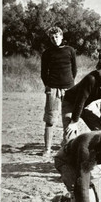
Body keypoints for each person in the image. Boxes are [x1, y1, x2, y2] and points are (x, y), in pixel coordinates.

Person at [40, 26, 77, 157]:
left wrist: (69, 84)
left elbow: (74, 70)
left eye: (57, 36)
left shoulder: (70, 50)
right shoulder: (47, 53)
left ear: (61, 37)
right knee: (50, 119)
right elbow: (44, 73)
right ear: (50, 39)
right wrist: (49, 86)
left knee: (68, 118)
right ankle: (47, 149)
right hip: (53, 88)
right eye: (52, 37)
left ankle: (68, 147)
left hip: (68, 88)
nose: (55, 39)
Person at [61, 58, 101, 143]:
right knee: (70, 135)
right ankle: (66, 145)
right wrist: (73, 121)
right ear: (98, 69)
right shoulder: (91, 79)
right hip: (71, 103)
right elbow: (80, 100)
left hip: (85, 105)